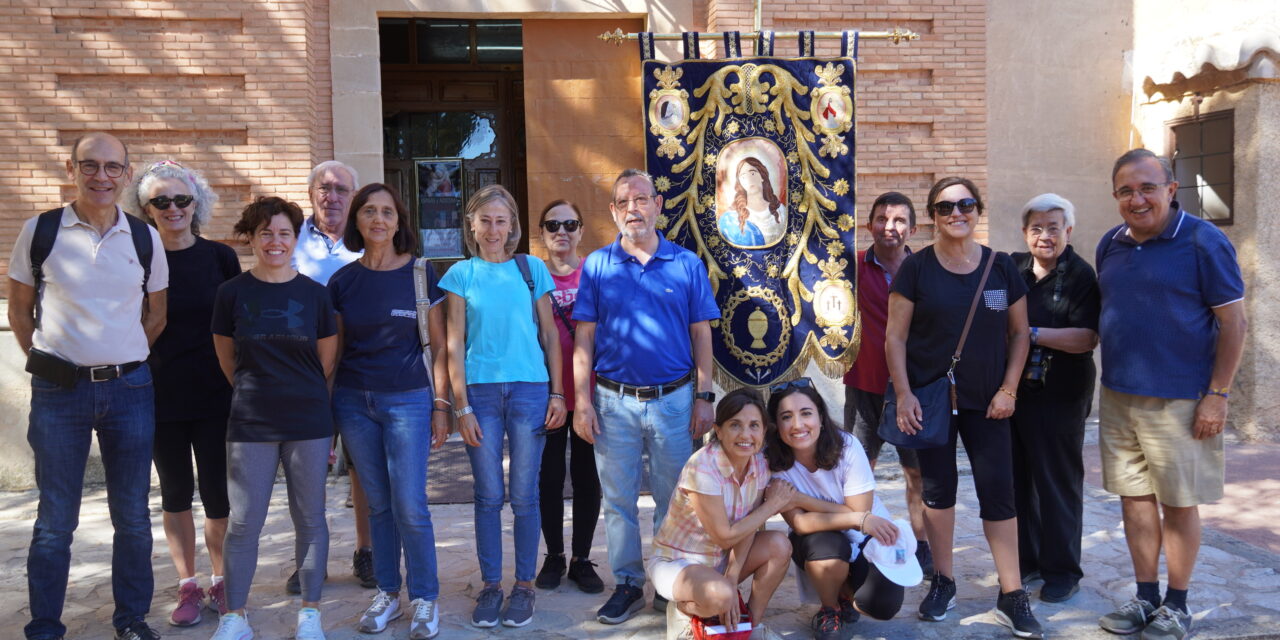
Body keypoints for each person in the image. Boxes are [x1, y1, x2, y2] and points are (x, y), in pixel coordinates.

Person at [9, 132, 169, 640]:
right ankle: (45, 626)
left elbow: (157, 315)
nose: (101, 177)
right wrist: (58, 357)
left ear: (126, 173)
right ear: (72, 168)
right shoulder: (41, 230)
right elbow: (18, 312)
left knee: (134, 516)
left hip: (130, 391)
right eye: (90, 166)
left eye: (112, 167)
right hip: (60, 394)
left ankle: (130, 620)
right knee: (56, 520)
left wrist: (118, 355)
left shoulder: (144, 237)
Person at [1095, 149, 1247, 640]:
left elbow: (1234, 323)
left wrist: (1217, 395)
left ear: (1171, 189)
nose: (1137, 199)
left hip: (1182, 399)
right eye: (1125, 191)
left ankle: (1176, 606)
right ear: (1116, 196)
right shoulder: (1110, 244)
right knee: (1134, 500)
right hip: (1119, 396)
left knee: (1178, 503)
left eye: (1147, 188)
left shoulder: (1204, 242)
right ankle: (1146, 598)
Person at [884, 176, 1042, 638]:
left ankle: (1012, 593)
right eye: (946, 207)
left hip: (989, 403)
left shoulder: (1000, 267)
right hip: (931, 402)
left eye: (966, 205)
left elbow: (1019, 334)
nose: (957, 213)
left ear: (977, 210)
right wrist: (905, 393)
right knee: (937, 492)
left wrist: (1009, 389)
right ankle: (944, 582)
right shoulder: (916, 270)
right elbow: (894, 337)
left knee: (999, 492)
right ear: (933, 215)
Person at [573, 168, 720, 625]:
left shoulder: (687, 264)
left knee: (672, 498)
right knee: (617, 500)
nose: (633, 208)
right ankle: (629, 583)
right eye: (624, 201)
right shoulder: (598, 265)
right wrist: (582, 400)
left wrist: (705, 396)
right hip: (612, 401)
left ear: (658, 204)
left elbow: (701, 335)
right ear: (614, 211)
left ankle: (666, 583)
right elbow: (584, 338)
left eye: (642, 199)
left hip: (675, 400)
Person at [208, 196, 338, 640]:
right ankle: (235, 616)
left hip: (308, 422)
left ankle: (310, 612)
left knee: (310, 517)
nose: (275, 241)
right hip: (251, 423)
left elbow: (325, 362)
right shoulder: (231, 294)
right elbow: (228, 359)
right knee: (243, 522)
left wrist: (294, 391)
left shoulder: (316, 296)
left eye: (284, 233)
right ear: (252, 238)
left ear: (296, 238)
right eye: (266, 233)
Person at [441, 184, 567, 629]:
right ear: (472, 225)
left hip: (531, 391)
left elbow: (550, 335)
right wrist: (460, 406)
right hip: (481, 394)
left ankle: (525, 587)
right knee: (488, 495)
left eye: (501, 221)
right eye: (485, 221)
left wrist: (557, 393)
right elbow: (454, 344)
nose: (493, 230)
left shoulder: (531, 269)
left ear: (512, 225)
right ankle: (492, 586)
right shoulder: (461, 274)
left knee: (525, 495)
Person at [328, 184, 450, 638]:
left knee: (410, 504)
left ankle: (424, 597)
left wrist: (441, 406)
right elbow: (336, 351)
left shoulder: (421, 274)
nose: (378, 219)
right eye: (369, 212)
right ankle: (387, 592)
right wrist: (328, 415)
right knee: (378, 505)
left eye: (387, 212)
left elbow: (438, 346)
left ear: (399, 222)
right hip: (354, 402)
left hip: (408, 401)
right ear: (357, 221)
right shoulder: (342, 281)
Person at [123, 160, 240, 625]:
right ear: (146, 209)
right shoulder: (135, 258)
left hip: (215, 394)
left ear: (197, 203)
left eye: (181, 199)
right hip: (157, 394)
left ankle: (221, 580)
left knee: (218, 494)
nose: (173, 208)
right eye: (161, 201)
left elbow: (236, 325)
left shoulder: (220, 257)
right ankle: (188, 585)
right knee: (174, 493)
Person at [765, 380, 911, 640]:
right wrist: (857, 518)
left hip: (867, 537)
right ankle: (829, 607)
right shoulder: (775, 462)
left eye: (806, 413)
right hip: (818, 540)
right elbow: (799, 524)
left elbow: (859, 510)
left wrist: (800, 498)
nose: (798, 425)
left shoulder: (847, 446)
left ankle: (845, 590)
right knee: (827, 547)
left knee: (880, 605)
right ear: (777, 426)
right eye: (786, 417)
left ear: (821, 417)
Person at [1008, 193, 1100, 604]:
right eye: (1036, 228)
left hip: (1061, 395)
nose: (1044, 236)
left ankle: (1063, 570)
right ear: (1026, 233)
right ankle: (1028, 561)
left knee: (1057, 483)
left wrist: (1030, 334)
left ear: (1068, 231)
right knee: (1018, 480)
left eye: (1053, 227)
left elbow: (1086, 338)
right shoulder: (1012, 268)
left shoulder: (1081, 276)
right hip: (1014, 393)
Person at [648, 388, 794, 640]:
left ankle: (749, 626)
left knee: (780, 545)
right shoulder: (703, 467)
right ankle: (683, 610)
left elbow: (748, 526)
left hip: (720, 561)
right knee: (722, 596)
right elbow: (725, 537)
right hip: (679, 562)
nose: (745, 435)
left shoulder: (758, 463)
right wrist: (771, 506)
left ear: (763, 430)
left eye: (754, 425)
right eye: (735, 425)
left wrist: (733, 575)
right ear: (718, 430)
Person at [290, 159, 374, 593]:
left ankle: (365, 551)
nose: (333, 196)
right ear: (311, 194)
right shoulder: (291, 238)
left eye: (343, 189)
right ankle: (311, 557)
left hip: (359, 371)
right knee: (306, 469)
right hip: (304, 375)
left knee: (361, 467)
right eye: (325, 188)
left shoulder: (368, 240)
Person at [841, 191, 931, 576]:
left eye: (898, 221)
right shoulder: (851, 267)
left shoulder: (928, 269)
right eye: (881, 219)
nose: (889, 227)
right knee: (859, 472)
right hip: (864, 386)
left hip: (913, 392)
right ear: (868, 225)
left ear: (912, 228)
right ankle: (858, 546)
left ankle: (923, 545)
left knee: (917, 475)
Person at [533, 199, 604, 594]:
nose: (562, 231)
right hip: (546, 395)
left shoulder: (594, 274)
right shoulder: (532, 277)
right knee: (549, 478)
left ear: (581, 231)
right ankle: (554, 556)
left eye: (570, 224)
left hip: (589, 394)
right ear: (542, 232)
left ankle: (581, 558)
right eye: (552, 224)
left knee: (586, 478)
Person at [717, 156, 786, 246]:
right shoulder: (731, 217)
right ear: (740, 183)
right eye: (743, 176)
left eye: (752, 173)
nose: (749, 179)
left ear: (762, 176)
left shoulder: (781, 210)